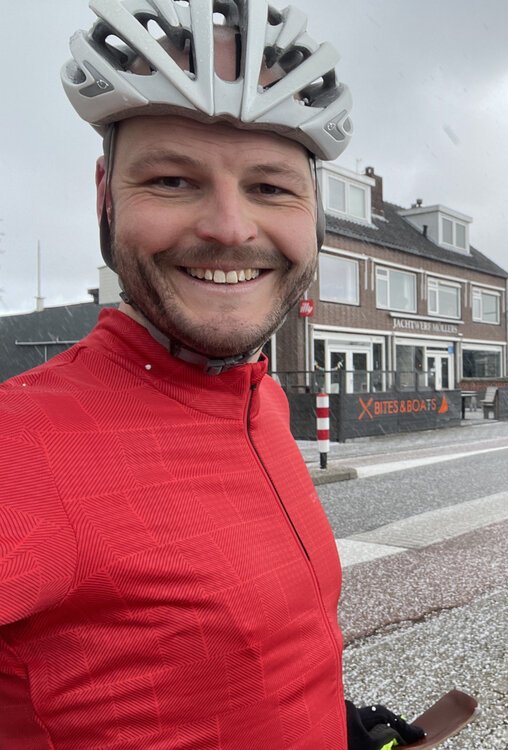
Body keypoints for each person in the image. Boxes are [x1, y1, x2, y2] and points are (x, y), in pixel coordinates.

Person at [0, 2, 422, 748]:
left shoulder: (259, 399)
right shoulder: (17, 446)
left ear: (315, 217)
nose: (230, 227)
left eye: (269, 188)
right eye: (170, 180)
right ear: (106, 197)